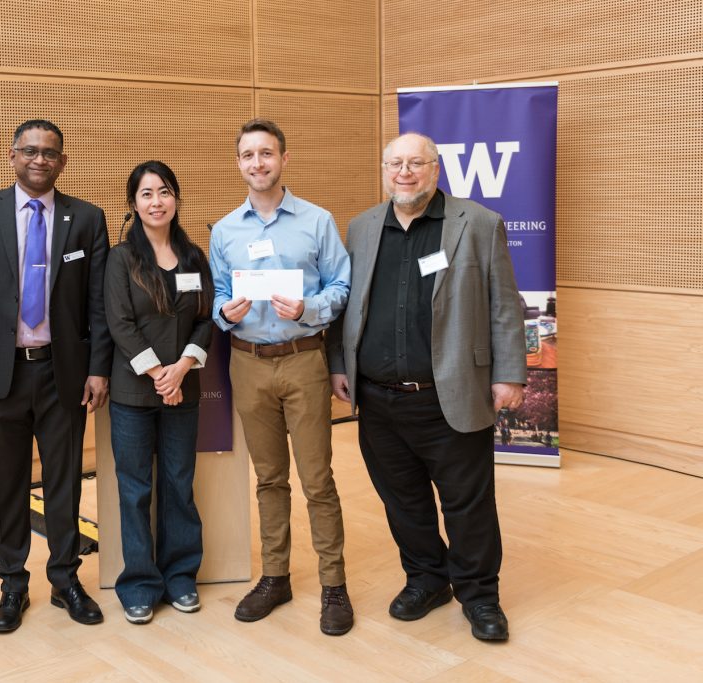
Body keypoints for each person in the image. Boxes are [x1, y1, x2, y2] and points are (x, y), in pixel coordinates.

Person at [327, 132, 526, 641]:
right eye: (395, 163)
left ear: (435, 169)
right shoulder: (363, 226)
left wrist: (508, 373)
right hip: (379, 399)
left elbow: (504, 305)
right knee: (404, 501)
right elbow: (349, 305)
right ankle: (427, 578)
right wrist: (339, 364)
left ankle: (480, 595)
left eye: (416, 163)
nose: (405, 172)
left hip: (450, 395)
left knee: (467, 503)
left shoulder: (477, 223)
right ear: (384, 169)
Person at [0, 119, 112, 632]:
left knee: (63, 480)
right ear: (12, 156)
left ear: (62, 162)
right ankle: (13, 585)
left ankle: (66, 578)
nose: (39, 159)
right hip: (1, 376)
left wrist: (97, 369)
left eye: (49, 153)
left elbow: (98, 304)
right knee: (8, 482)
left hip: (62, 373)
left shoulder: (86, 219)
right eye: (29, 151)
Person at [209, 118, 354, 636]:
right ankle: (276, 576)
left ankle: (333, 584)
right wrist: (226, 313)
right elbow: (217, 299)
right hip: (247, 363)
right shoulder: (224, 230)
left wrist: (310, 306)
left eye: (266, 154)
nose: (257, 163)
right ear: (239, 164)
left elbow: (342, 284)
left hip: (303, 360)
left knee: (318, 480)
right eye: (248, 155)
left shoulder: (316, 221)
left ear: (283, 159)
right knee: (269, 479)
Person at [104, 161, 214, 625]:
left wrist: (183, 367)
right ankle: (140, 584)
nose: (156, 201)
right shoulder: (121, 258)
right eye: (146, 194)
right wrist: (158, 375)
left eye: (164, 192)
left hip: (183, 390)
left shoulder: (193, 257)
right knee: (135, 489)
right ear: (134, 204)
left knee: (178, 484)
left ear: (176, 199)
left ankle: (181, 576)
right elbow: (120, 323)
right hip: (134, 394)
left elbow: (207, 318)